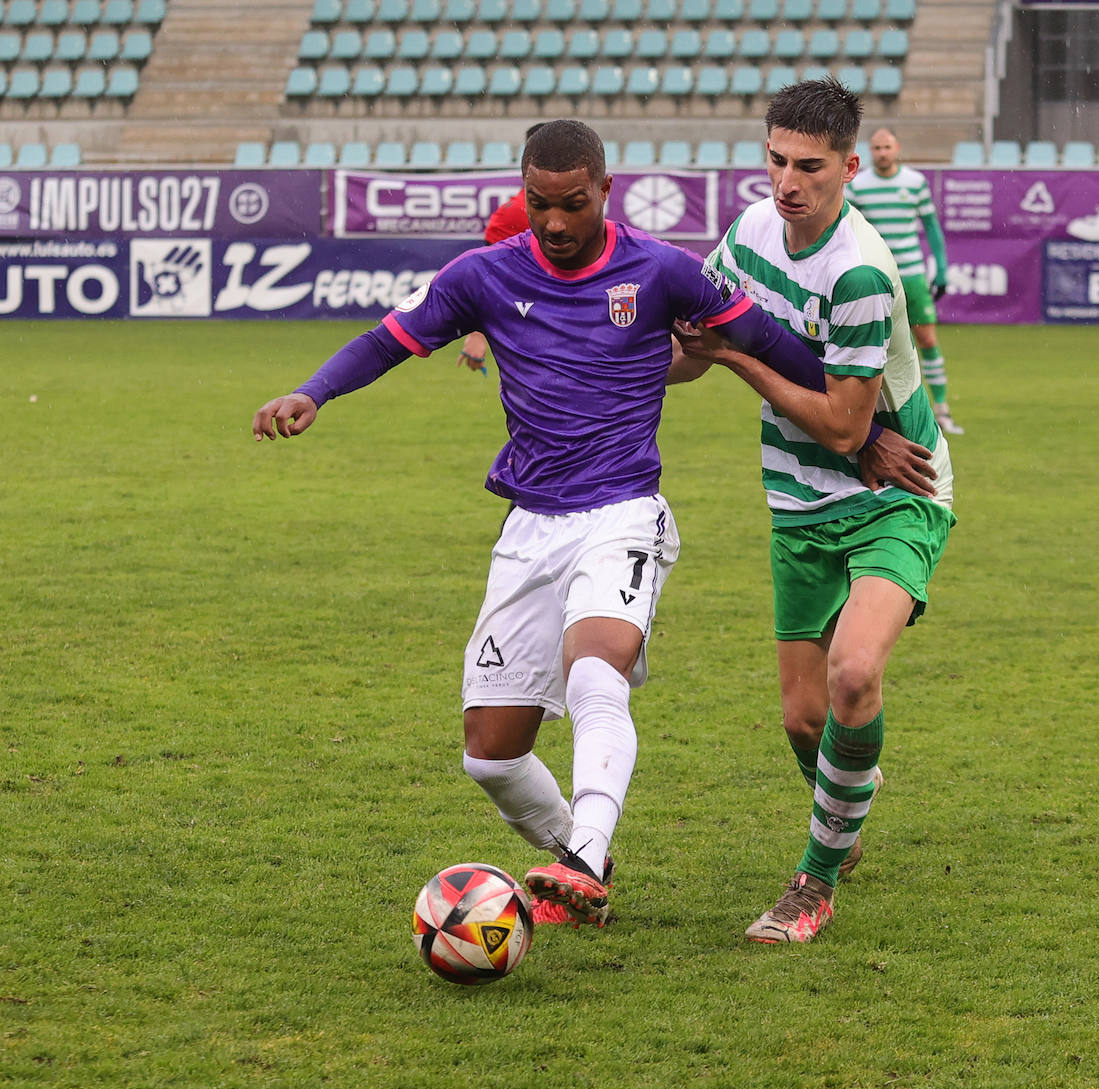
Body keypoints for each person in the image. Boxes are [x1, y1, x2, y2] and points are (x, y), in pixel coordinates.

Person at [252, 118, 935, 932]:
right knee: (490, 752)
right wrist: (313, 392)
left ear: (604, 192)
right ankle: (583, 865)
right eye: (538, 204)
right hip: (529, 525)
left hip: (623, 513)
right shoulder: (482, 276)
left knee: (594, 673)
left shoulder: (662, 269)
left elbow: (770, 343)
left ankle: (580, 858)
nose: (555, 222)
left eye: (573, 203)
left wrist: (866, 429)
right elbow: (389, 340)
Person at [676, 80, 956, 944]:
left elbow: (844, 424)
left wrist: (737, 359)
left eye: (809, 167)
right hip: (796, 504)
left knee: (853, 674)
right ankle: (847, 803)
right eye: (775, 159)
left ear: (846, 166)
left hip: (893, 496)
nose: (787, 182)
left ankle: (813, 882)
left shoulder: (863, 271)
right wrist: (605, 367)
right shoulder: (750, 230)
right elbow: (695, 347)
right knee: (803, 720)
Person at [846, 126, 964, 436]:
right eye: (876, 148)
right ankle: (874, 417)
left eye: (886, 147)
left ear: (897, 148)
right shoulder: (858, 186)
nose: (882, 153)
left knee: (926, 340)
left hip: (911, 275)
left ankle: (942, 411)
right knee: (875, 348)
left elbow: (931, 227)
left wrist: (941, 267)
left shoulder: (914, 183)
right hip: (877, 276)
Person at [457, 123, 546, 374]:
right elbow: (487, 279)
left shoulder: (586, 211)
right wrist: (477, 332)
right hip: (535, 341)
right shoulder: (512, 215)